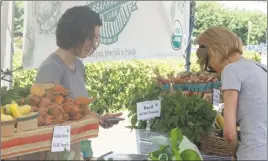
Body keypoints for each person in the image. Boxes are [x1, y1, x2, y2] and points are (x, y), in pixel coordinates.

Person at [33, 6, 122, 160]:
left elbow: (77, 110)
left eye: (95, 39)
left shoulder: (79, 66)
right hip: (59, 154)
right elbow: (46, 120)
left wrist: (97, 118)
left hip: (78, 149)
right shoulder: (52, 68)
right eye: (89, 39)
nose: (93, 44)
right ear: (73, 36)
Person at [196, 27, 267, 160]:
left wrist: (234, 154)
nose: (213, 69)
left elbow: (229, 133)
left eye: (208, 65)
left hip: (252, 154)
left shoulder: (231, 70)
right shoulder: (261, 68)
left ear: (212, 52)